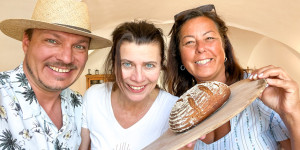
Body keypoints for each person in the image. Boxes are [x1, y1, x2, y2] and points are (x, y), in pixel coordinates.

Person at [165, 4, 300, 149]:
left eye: (209, 38)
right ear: (180, 57)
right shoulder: (179, 116)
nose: (200, 48)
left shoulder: (261, 90)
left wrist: (292, 113)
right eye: (189, 42)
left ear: (224, 46)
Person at [0, 0, 111, 149]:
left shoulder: (80, 105)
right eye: (52, 41)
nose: (66, 58)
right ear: (26, 42)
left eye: (79, 46)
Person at [79, 20, 179, 150]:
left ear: (161, 66)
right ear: (114, 64)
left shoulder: (174, 110)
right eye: (127, 64)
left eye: (149, 65)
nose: (138, 78)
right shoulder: (94, 97)